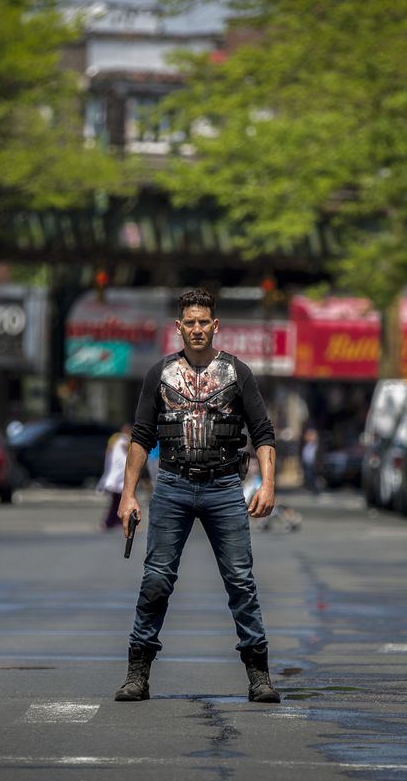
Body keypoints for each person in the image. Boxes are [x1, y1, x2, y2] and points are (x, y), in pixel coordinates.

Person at [114, 287, 280, 704]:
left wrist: (268, 484)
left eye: (204, 321)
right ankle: (138, 674)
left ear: (215, 325)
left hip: (225, 486)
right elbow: (140, 437)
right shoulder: (160, 374)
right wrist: (127, 495)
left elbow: (263, 434)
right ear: (179, 327)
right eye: (190, 322)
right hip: (172, 485)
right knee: (156, 580)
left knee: (241, 582)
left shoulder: (238, 372)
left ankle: (259, 677)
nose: (197, 329)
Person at [97, 424, 132, 529]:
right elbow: (112, 448)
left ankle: (114, 521)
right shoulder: (118, 438)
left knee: (118, 500)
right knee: (117, 500)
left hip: (121, 474)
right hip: (118, 474)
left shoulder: (126, 440)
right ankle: (110, 522)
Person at [300, 427, 320, 494]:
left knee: (313, 477)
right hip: (307, 463)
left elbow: (318, 455)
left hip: (313, 464)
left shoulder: (316, 445)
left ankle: (315, 489)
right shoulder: (305, 445)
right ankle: (310, 488)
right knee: (308, 477)